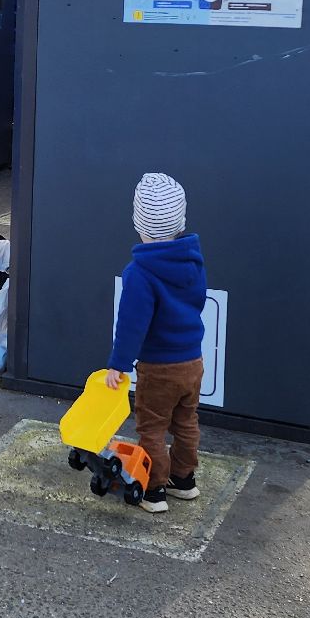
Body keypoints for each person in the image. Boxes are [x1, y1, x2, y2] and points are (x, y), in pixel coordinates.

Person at [105, 172, 206, 514]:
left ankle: (154, 490)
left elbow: (132, 326)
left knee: (151, 427)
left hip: (159, 367)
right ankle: (184, 479)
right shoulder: (192, 259)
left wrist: (118, 365)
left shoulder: (140, 273)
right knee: (186, 421)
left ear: (139, 224)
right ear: (180, 220)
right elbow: (197, 303)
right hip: (193, 362)